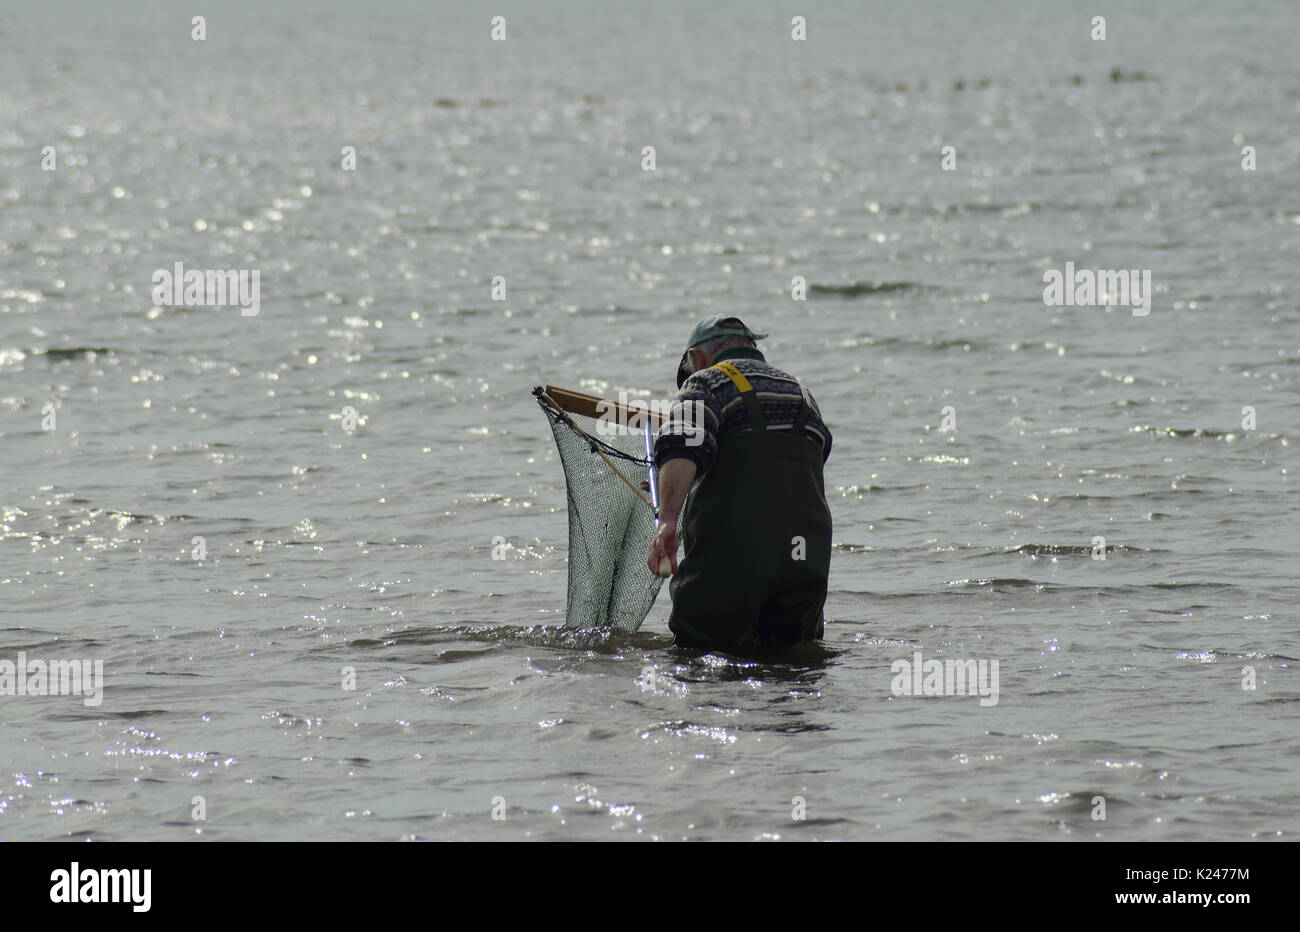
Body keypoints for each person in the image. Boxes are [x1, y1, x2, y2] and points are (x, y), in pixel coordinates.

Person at [647, 316, 833, 652]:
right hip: (805, 571)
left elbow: (683, 441)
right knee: (793, 670)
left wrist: (668, 519)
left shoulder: (706, 382)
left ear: (697, 358)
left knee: (700, 662)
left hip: (730, 573)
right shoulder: (803, 395)